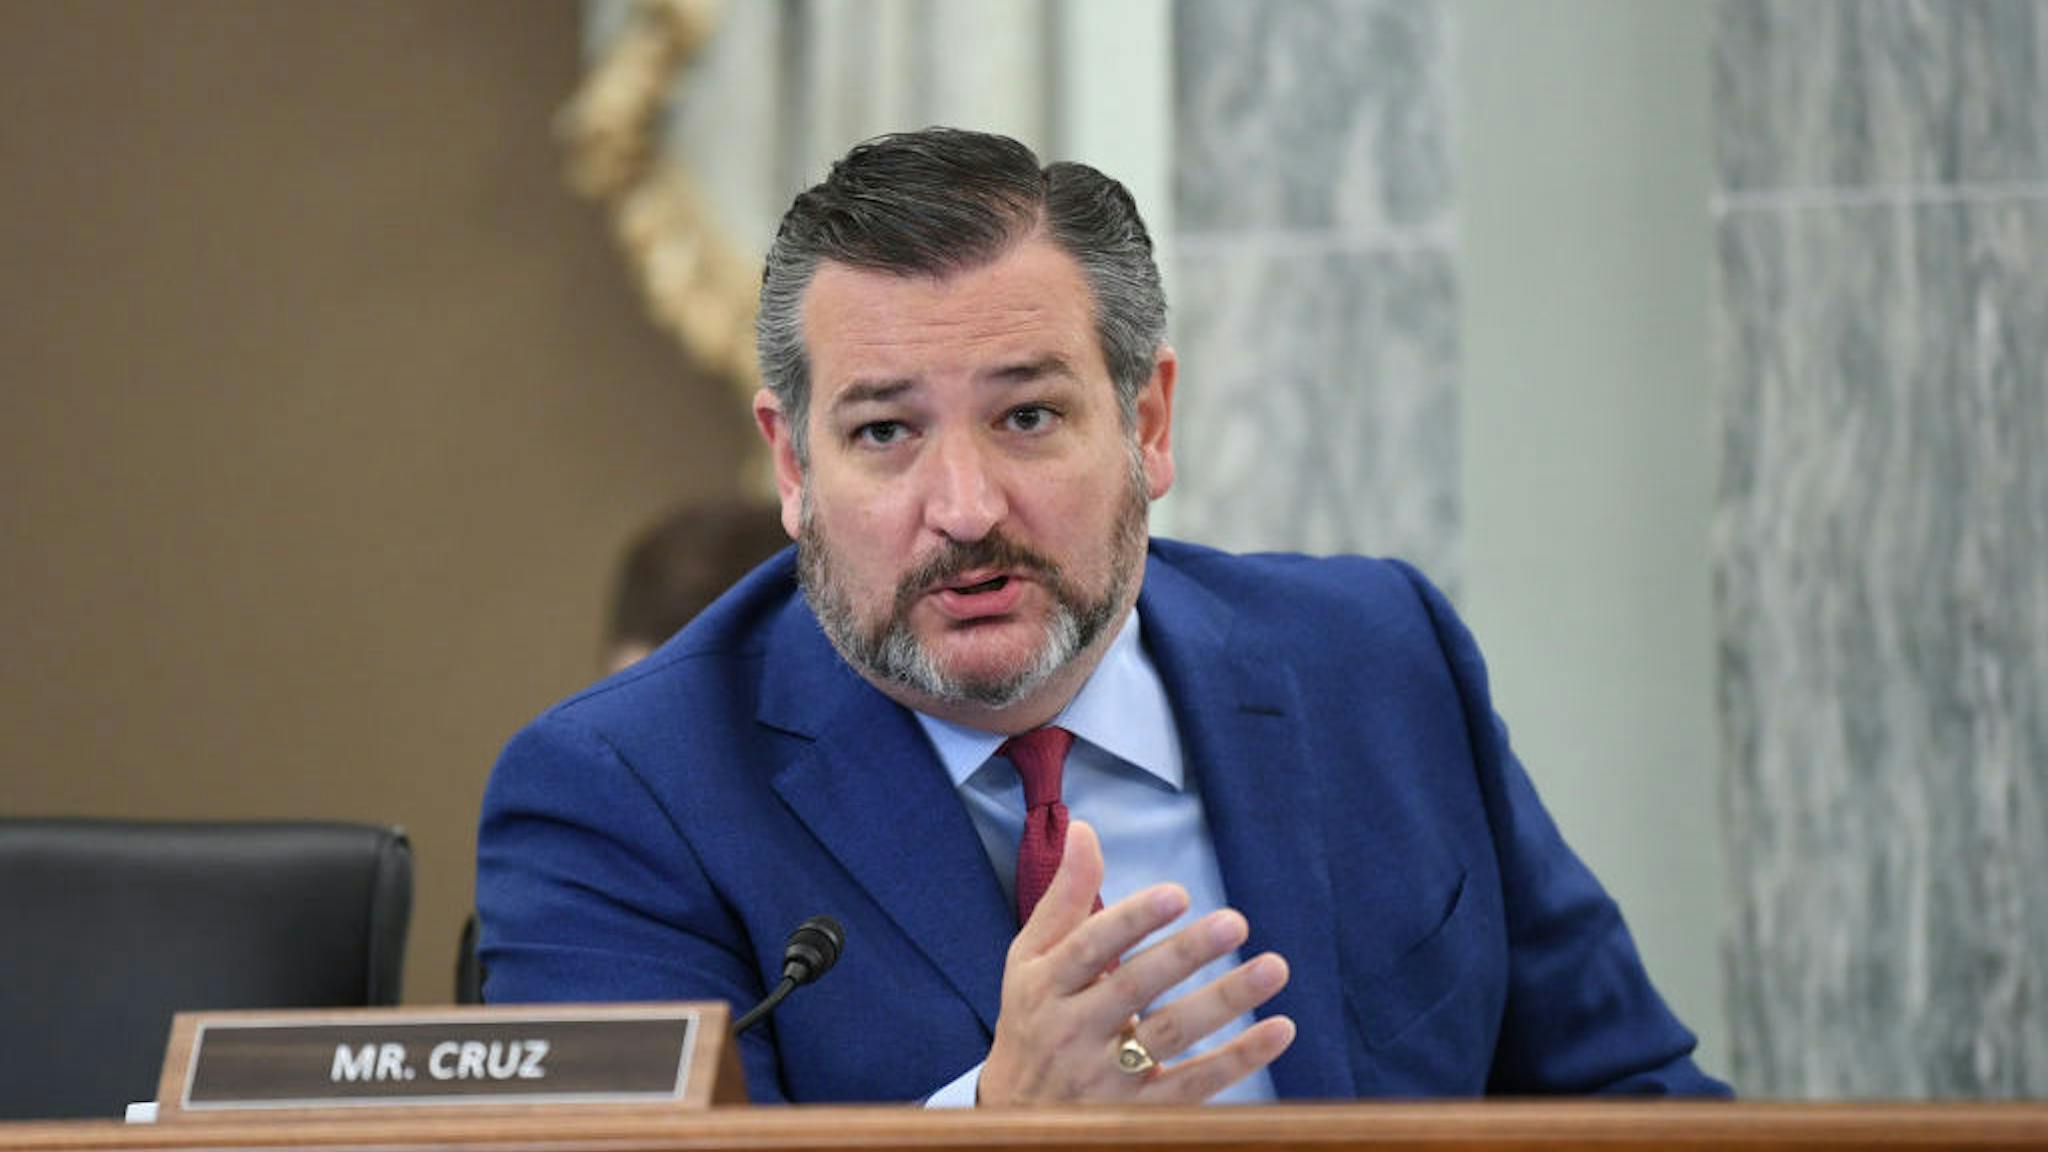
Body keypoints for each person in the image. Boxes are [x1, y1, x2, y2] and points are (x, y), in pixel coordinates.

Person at [477, 128, 1729, 1105]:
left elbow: (1624, 1096)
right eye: (882, 432)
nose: (963, 508)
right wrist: (994, 1120)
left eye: (1026, 416)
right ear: (793, 468)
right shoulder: (623, 794)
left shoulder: (1376, 663)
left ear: (1144, 425)